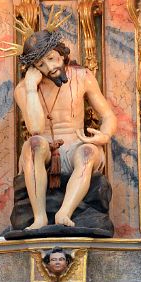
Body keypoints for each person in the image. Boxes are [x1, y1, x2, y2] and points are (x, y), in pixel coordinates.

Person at [14, 29, 116, 229]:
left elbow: (108, 116)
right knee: (34, 144)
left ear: (61, 53)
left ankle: (64, 213)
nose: (50, 67)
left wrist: (103, 136)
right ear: (33, 68)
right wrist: (32, 89)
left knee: (88, 153)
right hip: (44, 150)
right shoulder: (23, 89)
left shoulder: (82, 77)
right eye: (41, 64)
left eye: (52, 58)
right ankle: (40, 217)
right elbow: (35, 128)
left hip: (76, 144)